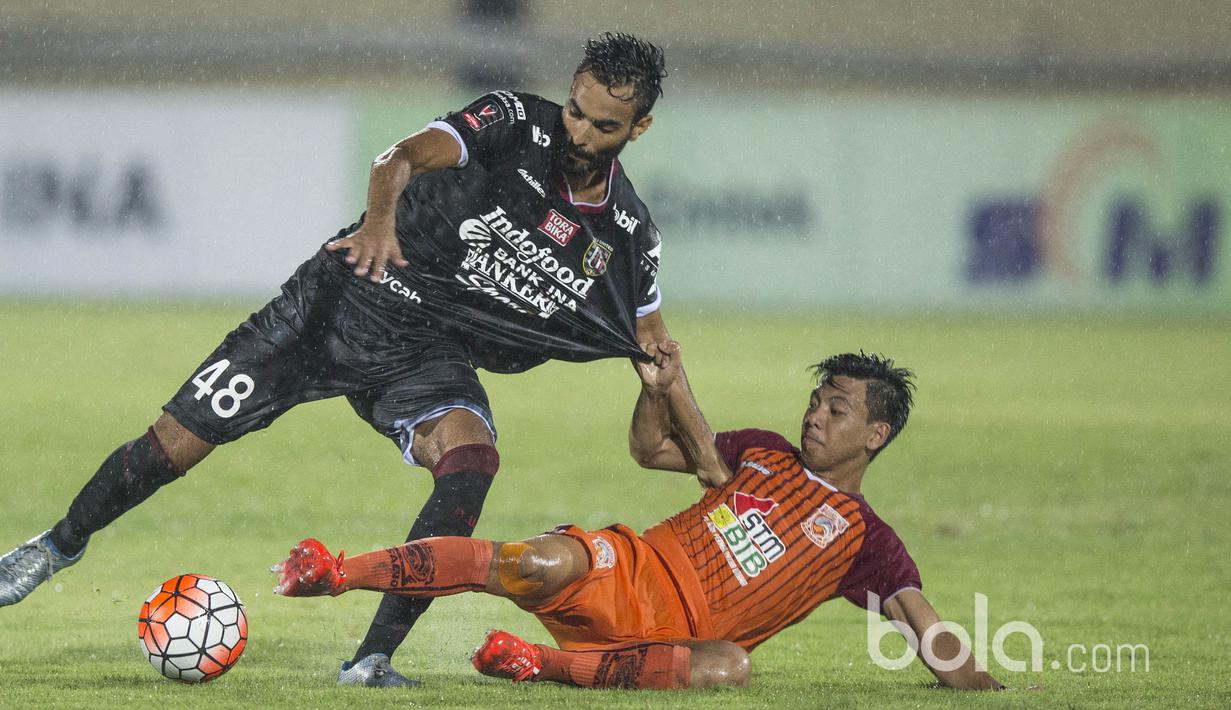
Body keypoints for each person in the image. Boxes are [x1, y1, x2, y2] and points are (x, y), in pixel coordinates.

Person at [0, 33, 726, 686]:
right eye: (574, 111)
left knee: (472, 460)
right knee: (173, 446)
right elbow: (398, 157)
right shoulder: (512, 120)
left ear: (638, 128)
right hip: (333, 303)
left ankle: (371, 660)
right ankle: (56, 547)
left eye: (602, 126)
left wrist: (712, 468)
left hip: (423, 350)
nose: (579, 133)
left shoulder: (626, 234)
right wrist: (380, 224)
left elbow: (656, 351)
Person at [271, 346, 1004, 691]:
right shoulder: (761, 450)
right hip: (628, 570)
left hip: (677, 644)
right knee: (531, 561)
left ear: (875, 434)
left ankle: (539, 666)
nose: (815, 416)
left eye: (836, 409)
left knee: (732, 667)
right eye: (815, 402)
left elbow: (924, 627)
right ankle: (337, 571)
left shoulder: (866, 542)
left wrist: (982, 685)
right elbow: (651, 448)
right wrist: (655, 388)